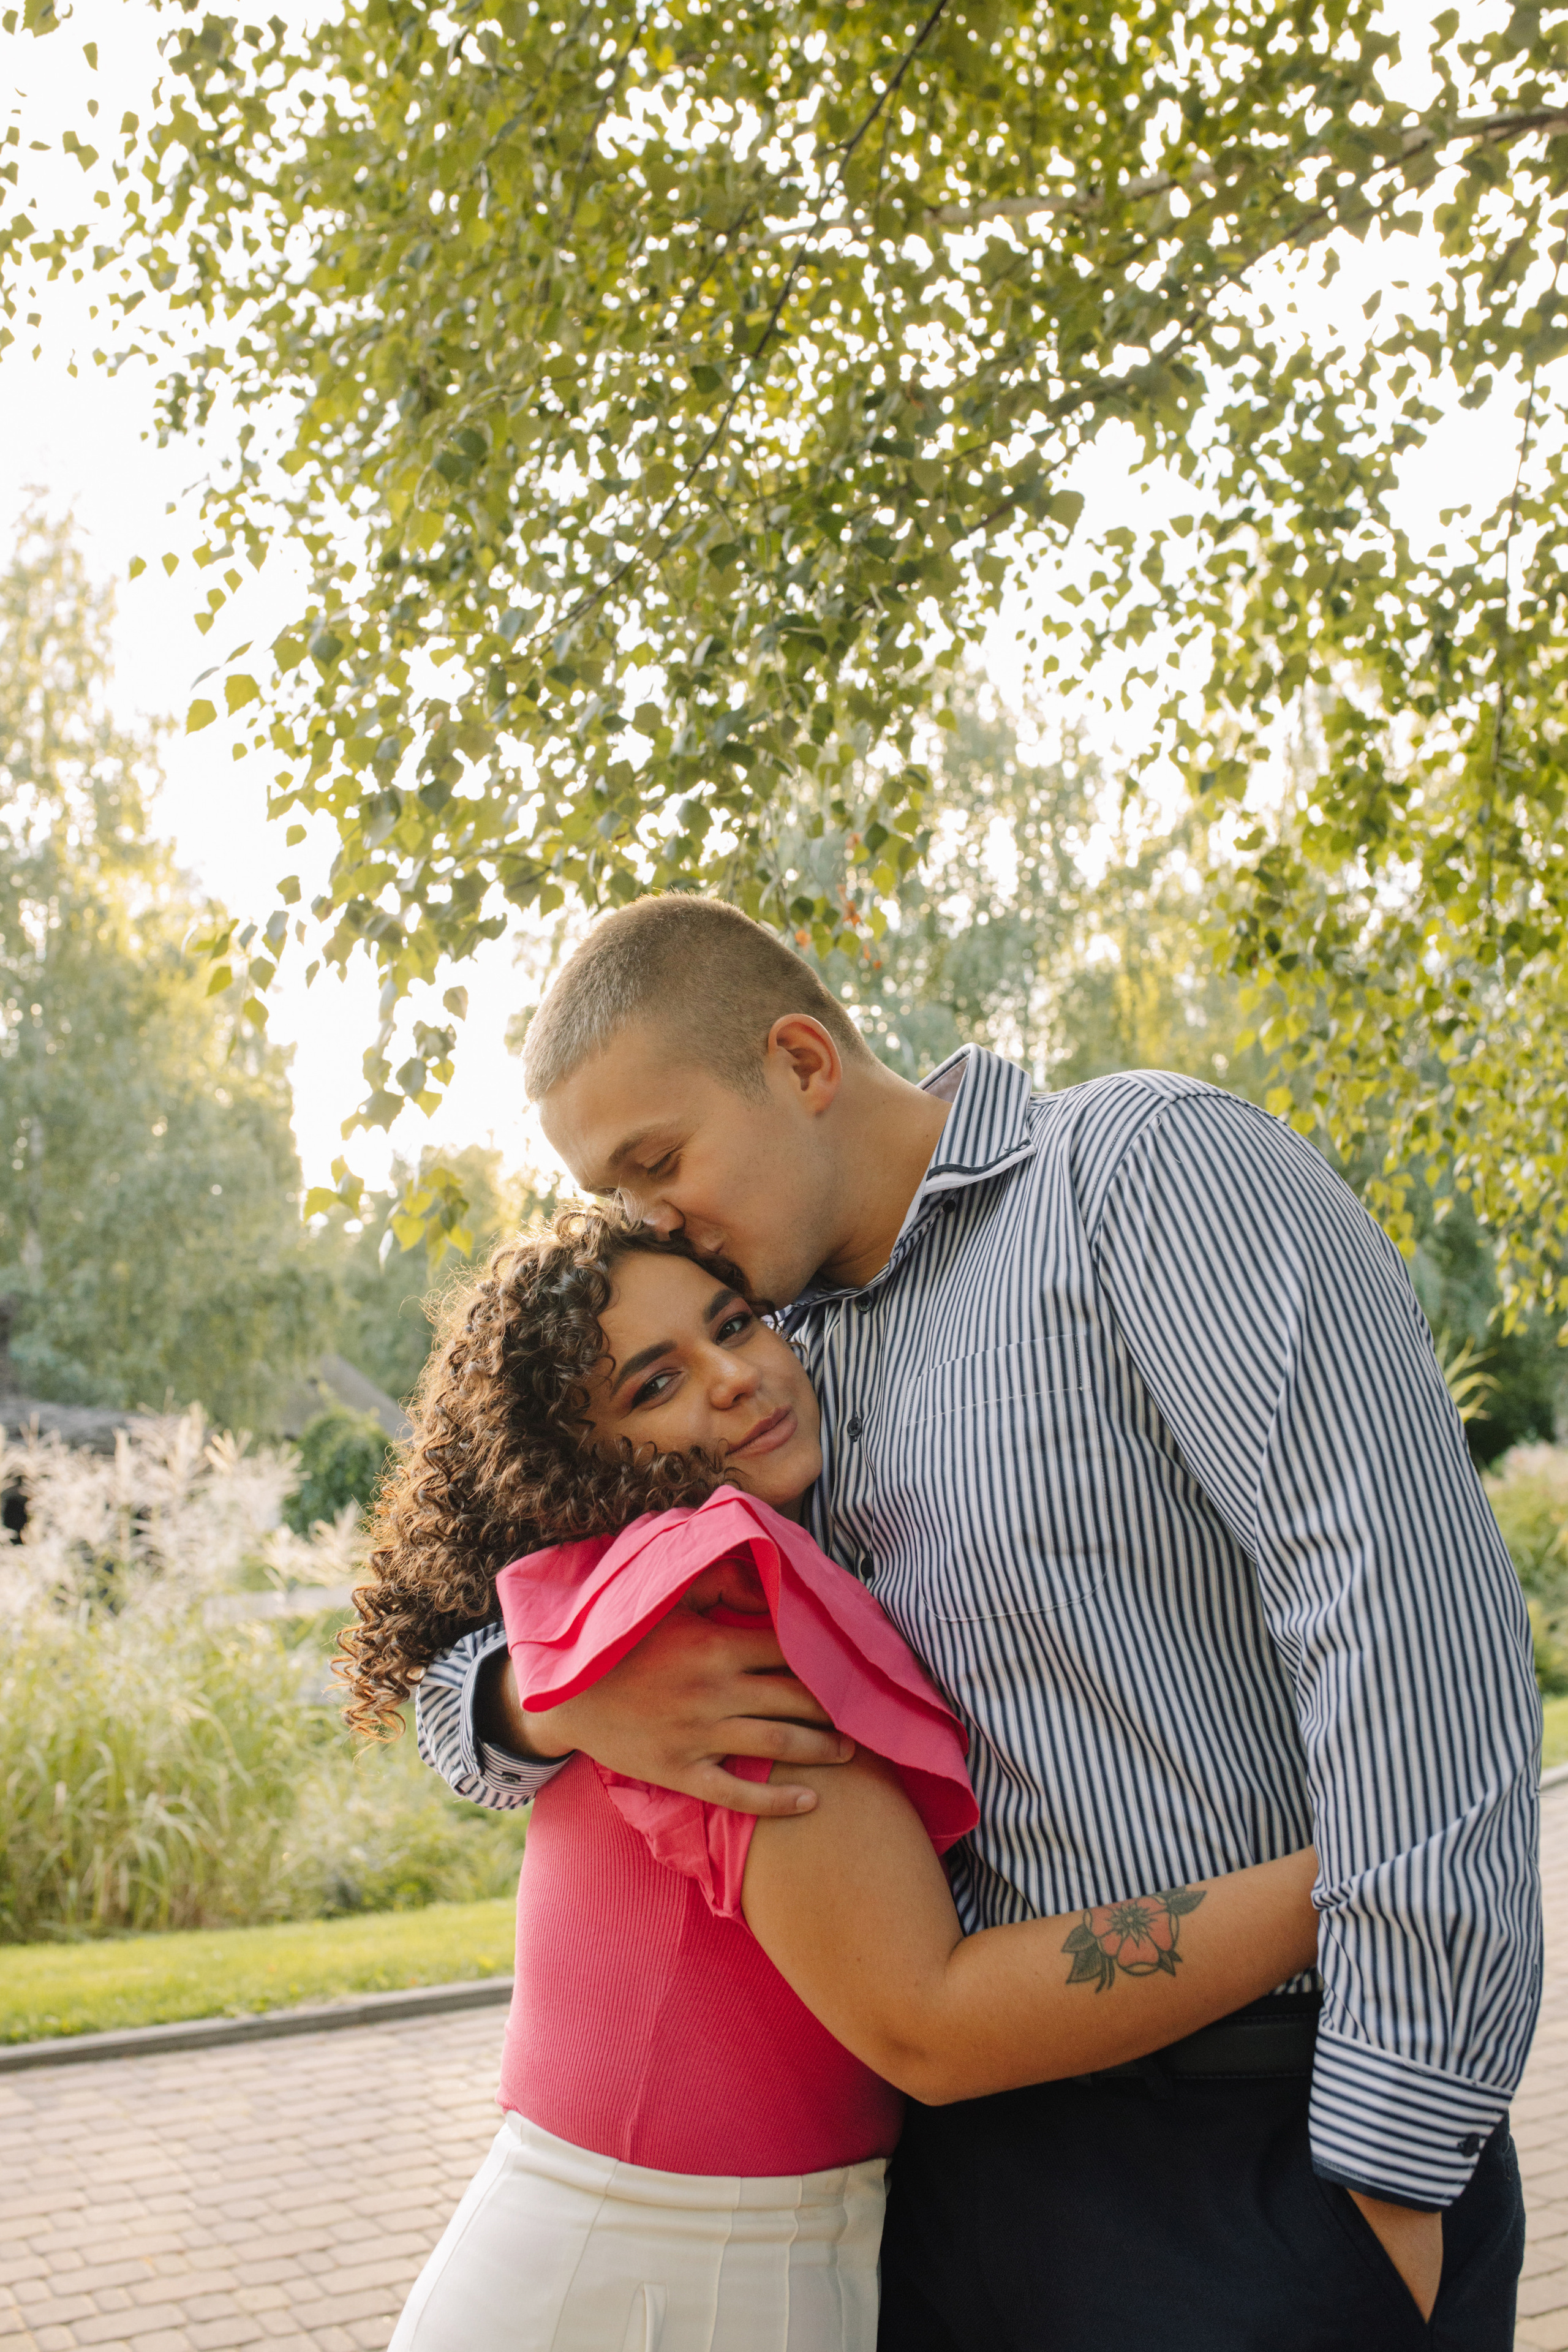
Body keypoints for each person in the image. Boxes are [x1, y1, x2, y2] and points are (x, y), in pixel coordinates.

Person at [417, 894, 1543, 2351]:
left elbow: (1400, 1614)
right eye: (617, 1195)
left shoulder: (1135, 1172)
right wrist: (544, 1699)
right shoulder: (754, 1374)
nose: (652, 1222)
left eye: (658, 1162)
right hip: (955, 2190)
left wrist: (1390, 2173)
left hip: (1265, 2152)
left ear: (801, 1062)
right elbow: (449, 1652)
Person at [342, 1213, 1322, 2352]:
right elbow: (933, 2027)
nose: (733, 1377)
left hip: (684, 2258)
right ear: (573, 1470)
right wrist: (1357, 1870)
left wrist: (534, 1700)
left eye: (734, 1325)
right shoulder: (709, 1605)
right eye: (655, 1384)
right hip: (660, 2282)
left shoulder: (669, 1579)